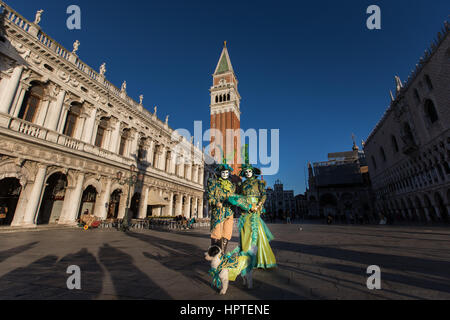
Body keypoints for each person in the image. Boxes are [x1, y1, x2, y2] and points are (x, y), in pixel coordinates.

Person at [228, 163, 277, 275]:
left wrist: (259, 205)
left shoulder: (258, 183)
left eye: (249, 171)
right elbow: (237, 196)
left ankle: (258, 260)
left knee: (256, 232)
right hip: (245, 210)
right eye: (246, 172)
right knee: (245, 233)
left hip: (256, 209)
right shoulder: (242, 184)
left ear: (253, 172)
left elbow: (263, 195)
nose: (248, 173)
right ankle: (246, 260)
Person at [207, 163, 236, 254]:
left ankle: (222, 254)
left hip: (229, 212)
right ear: (220, 173)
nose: (224, 174)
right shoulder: (214, 183)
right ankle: (215, 256)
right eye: (223, 172)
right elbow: (210, 197)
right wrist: (216, 202)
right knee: (216, 234)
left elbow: (234, 197)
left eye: (226, 173)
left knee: (227, 234)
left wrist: (235, 202)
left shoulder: (232, 186)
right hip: (218, 212)